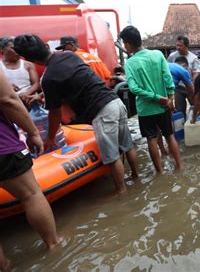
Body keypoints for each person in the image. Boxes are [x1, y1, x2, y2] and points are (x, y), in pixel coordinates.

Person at [13, 34, 138, 193]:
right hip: (115, 102)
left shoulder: (49, 77)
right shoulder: (69, 55)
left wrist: (50, 138)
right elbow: (74, 82)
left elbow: (55, 113)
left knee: (112, 157)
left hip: (102, 111)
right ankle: (136, 178)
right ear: (44, 46)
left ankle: (122, 193)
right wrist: (41, 95)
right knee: (127, 145)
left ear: (30, 59)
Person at [0, 68, 62, 250]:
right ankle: (53, 244)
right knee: (31, 195)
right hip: (3, 148)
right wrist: (33, 132)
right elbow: (8, 100)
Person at [120, 26, 183, 172]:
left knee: (151, 140)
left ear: (128, 44)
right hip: (163, 106)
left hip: (146, 109)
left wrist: (155, 98)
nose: (124, 46)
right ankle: (180, 166)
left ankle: (160, 172)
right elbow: (167, 78)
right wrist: (170, 97)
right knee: (170, 136)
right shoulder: (158, 54)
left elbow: (134, 89)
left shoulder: (130, 63)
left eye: (124, 43)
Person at [0, 37, 40, 105]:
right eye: (13, 48)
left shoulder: (28, 64)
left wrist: (26, 93)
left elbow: (36, 84)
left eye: (18, 48)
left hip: (28, 100)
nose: (18, 51)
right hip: (7, 103)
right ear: (2, 49)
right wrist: (5, 86)